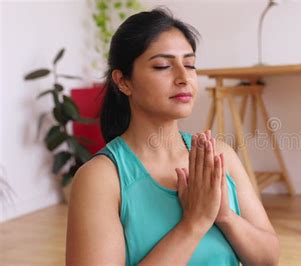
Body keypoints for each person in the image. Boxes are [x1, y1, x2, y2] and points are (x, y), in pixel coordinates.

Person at [65, 8, 280, 266]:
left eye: (190, 64)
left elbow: (268, 259)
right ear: (123, 82)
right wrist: (194, 222)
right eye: (163, 66)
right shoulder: (101, 178)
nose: (183, 77)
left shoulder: (221, 157)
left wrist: (224, 217)